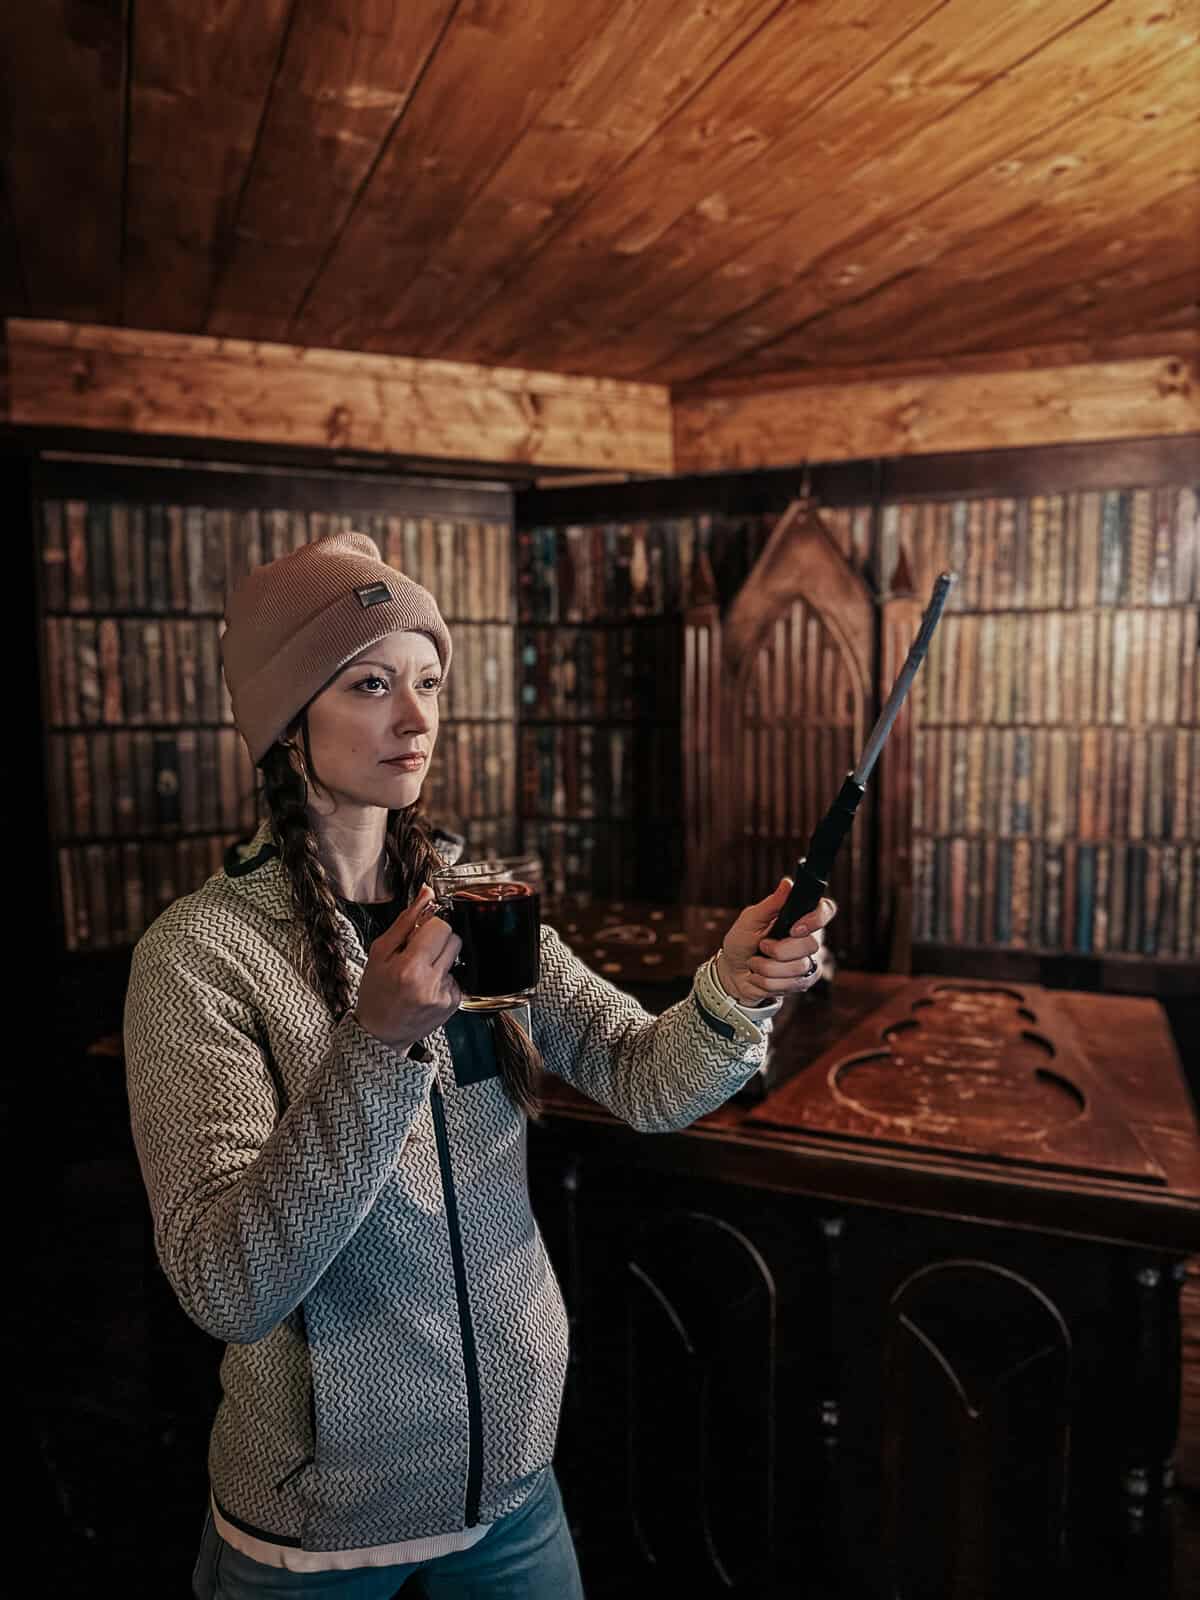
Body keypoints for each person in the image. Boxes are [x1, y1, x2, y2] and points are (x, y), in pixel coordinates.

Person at [124, 532, 836, 1599]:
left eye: (427, 681)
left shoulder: (480, 905)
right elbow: (230, 1284)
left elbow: (646, 1078)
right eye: (371, 684)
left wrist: (734, 988)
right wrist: (375, 1045)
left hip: (513, 1494)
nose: (415, 719)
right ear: (284, 720)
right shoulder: (199, 956)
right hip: (313, 1538)